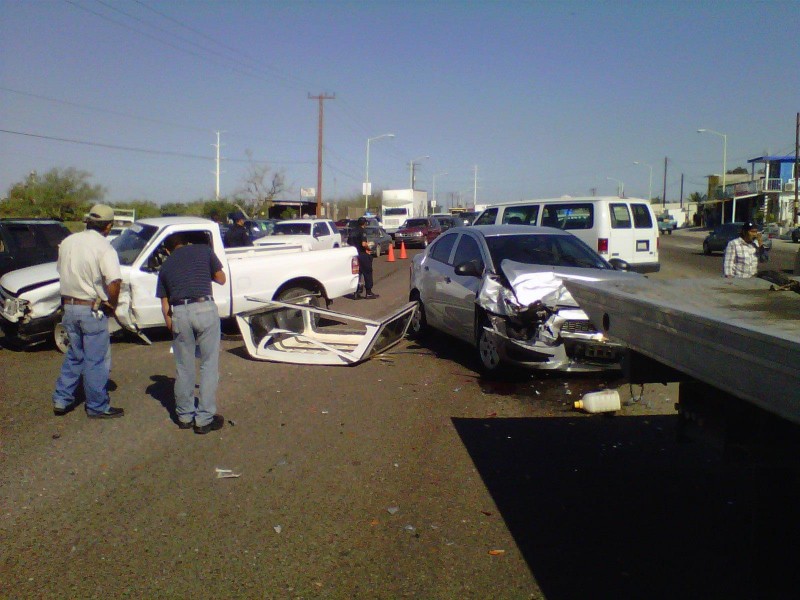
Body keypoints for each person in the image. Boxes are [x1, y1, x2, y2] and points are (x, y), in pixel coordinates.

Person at [52, 204, 124, 418]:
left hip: (69, 306)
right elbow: (114, 281)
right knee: (96, 360)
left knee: (74, 355)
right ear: (109, 226)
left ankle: (62, 398)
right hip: (91, 309)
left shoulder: (68, 242)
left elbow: (60, 270)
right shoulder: (104, 247)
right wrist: (112, 303)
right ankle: (97, 406)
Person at [156, 233, 227, 434]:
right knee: (208, 364)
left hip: (179, 312)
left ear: (168, 250)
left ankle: (185, 416)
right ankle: (204, 419)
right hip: (204, 307)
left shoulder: (166, 265)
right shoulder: (204, 251)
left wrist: (171, 324)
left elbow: (164, 302)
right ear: (185, 243)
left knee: (183, 367)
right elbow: (221, 279)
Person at [348, 217, 379, 299]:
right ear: (364, 223)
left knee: (357, 274)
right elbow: (364, 244)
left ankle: (356, 292)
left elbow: (348, 242)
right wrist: (369, 249)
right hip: (362, 254)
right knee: (368, 272)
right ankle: (368, 292)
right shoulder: (362, 231)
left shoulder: (352, 231)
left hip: (354, 255)